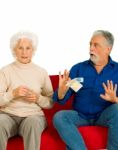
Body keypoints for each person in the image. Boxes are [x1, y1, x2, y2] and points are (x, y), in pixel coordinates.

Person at [53, 30, 118, 150]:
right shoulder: (78, 69)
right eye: (90, 44)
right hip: (80, 116)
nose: (91, 49)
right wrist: (61, 91)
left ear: (108, 49)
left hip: (104, 116)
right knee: (59, 117)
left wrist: (115, 99)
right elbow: (62, 98)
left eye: (96, 45)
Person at [0, 31, 53, 150]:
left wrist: (38, 98)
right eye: (20, 48)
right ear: (14, 50)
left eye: (28, 48)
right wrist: (13, 94)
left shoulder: (41, 72)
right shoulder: (5, 71)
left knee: (33, 123)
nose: (24, 52)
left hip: (33, 116)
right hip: (8, 116)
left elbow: (51, 102)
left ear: (33, 50)